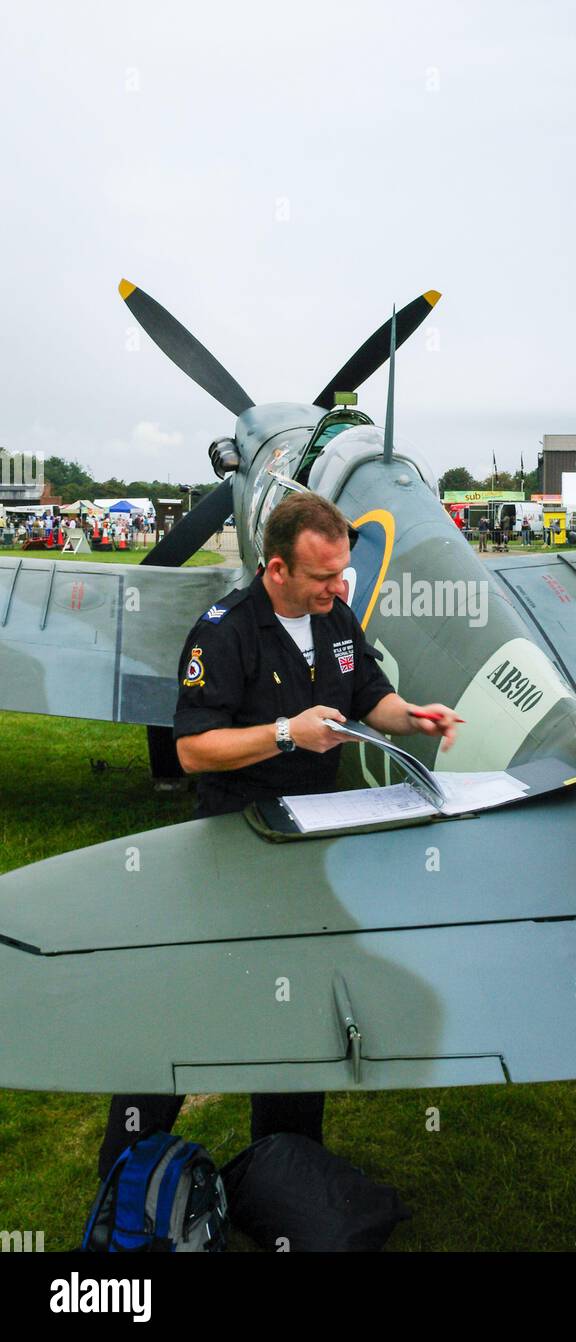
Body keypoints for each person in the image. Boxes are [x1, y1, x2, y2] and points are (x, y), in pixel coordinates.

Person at [96, 490, 462, 1180]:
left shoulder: (335, 617)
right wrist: (287, 733)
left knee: (301, 1003)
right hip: (235, 841)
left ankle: (288, 1166)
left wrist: (412, 717)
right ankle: (127, 1166)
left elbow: (367, 698)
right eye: (322, 576)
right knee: (191, 997)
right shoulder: (224, 631)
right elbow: (193, 751)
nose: (337, 586)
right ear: (275, 569)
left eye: (341, 573)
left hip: (312, 842)